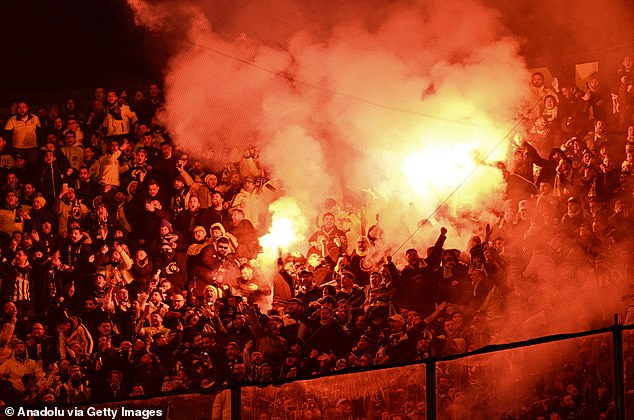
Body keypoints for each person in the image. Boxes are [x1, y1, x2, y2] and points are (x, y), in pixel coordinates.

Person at [4, 101, 40, 167]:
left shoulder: (35, 118)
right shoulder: (12, 120)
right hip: (17, 148)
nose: (21, 109)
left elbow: (39, 132)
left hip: (32, 148)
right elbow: (6, 135)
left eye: (23, 107)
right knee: (18, 167)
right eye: (19, 107)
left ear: (27, 108)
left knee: (32, 167)